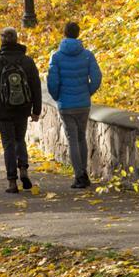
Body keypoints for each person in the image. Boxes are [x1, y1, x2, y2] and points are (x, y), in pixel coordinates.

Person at [0, 26, 42, 193]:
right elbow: (36, 87)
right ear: (16, 39)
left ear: (2, 40)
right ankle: (23, 169)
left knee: (8, 144)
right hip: (23, 108)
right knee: (19, 140)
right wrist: (36, 110)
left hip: (3, 110)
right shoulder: (27, 62)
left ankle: (12, 182)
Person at [47, 21, 101, 188]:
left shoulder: (56, 56)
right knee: (81, 137)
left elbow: (52, 81)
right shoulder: (87, 55)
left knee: (72, 140)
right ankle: (83, 172)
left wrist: (58, 97)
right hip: (83, 104)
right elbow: (97, 77)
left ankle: (79, 176)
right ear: (78, 34)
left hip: (66, 105)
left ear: (64, 34)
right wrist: (88, 92)